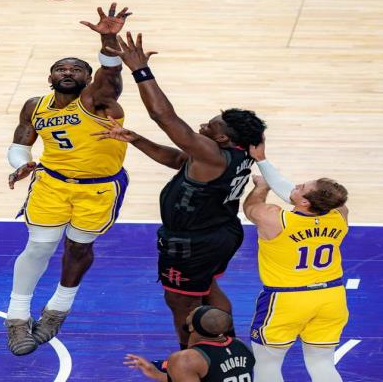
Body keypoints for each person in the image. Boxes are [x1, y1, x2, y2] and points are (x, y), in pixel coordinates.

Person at [94, 32, 266, 350]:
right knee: (207, 289)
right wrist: (136, 139)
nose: (202, 127)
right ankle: (228, 350)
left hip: (193, 241)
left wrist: (140, 70)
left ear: (223, 139)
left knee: (181, 302)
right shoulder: (235, 152)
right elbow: (177, 160)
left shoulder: (212, 153)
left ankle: (193, 359)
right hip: (220, 231)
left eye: (210, 127)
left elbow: (164, 116)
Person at [4, 2, 132, 356]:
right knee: (39, 246)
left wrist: (108, 40)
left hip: (99, 188)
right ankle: (16, 317)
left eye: (76, 69)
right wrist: (21, 164)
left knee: (78, 248)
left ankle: (58, 309)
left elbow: (112, 78)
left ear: (88, 79)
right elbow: (19, 144)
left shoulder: (99, 102)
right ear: (50, 78)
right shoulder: (35, 105)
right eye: (61, 68)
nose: (68, 72)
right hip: (52, 182)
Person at [243, 139, 349, 382]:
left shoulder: (274, 218)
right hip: (331, 297)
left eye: (301, 186)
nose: (296, 185)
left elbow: (251, 207)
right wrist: (262, 161)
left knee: (267, 364)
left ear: (304, 202)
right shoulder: (339, 215)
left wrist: (262, 186)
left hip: (287, 299)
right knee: (322, 363)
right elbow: (295, 195)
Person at [124, 306, 255, 381]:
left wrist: (158, 373)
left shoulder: (186, 359)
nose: (191, 311)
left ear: (191, 327)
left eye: (192, 313)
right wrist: (156, 374)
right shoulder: (241, 345)